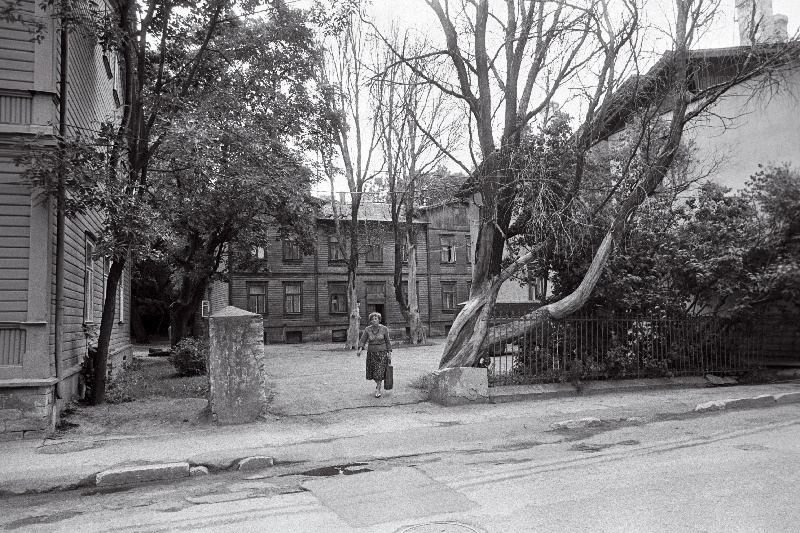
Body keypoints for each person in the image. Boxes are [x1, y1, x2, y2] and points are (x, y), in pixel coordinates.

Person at [356, 312, 393, 398]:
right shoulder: (367, 329)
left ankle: (378, 389)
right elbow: (363, 340)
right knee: (372, 373)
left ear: (379, 320)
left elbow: (388, 342)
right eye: (372, 319)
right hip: (371, 354)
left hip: (382, 354)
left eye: (376, 319)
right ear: (370, 321)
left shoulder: (384, 329)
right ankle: (378, 384)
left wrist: (389, 353)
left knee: (379, 372)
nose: (374, 320)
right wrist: (360, 350)